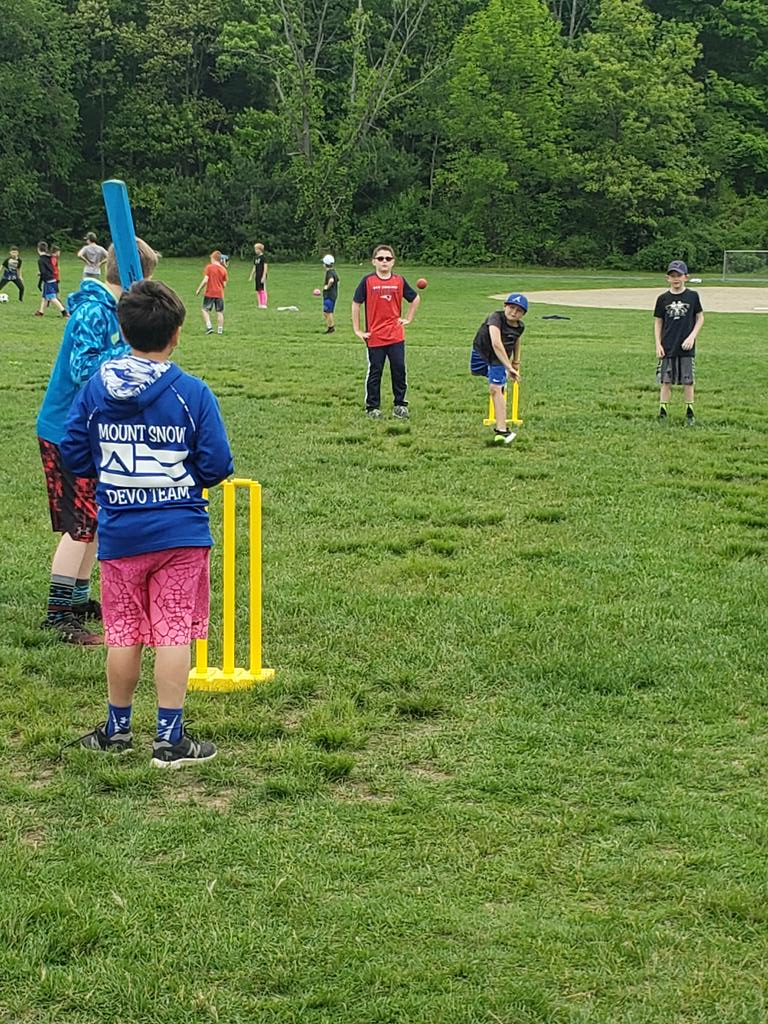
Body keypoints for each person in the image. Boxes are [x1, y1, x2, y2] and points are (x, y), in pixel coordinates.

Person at [60, 280, 234, 767]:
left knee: (124, 634)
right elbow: (217, 465)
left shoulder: (97, 387)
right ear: (177, 333)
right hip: (181, 532)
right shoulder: (191, 393)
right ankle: (169, 738)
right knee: (173, 633)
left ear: (122, 329)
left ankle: (117, 729)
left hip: (121, 533)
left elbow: (73, 452)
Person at [36, 238, 159, 644]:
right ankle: (58, 614)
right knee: (79, 524)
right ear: (132, 277)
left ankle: (78, 597)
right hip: (65, 432)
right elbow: (81, 368)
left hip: (91, 432)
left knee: (94, 521)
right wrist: (129, 353)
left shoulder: (112, 312)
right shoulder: (92, 310)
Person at [351, 244, 420, 420]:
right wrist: (357, 329)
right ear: (374, 261)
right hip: (375, 336)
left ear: (393, 262)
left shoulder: (399, 281)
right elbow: (356, 304)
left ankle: (400, 405)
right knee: (375, 371)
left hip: (396, 335)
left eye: (388, 259)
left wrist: (408, 318)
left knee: (399, 369)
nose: (384, 262)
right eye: (380, 258)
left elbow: (415, 298)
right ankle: (372, 407)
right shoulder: (367, 281)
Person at [470, 293, 527, 444]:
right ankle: (499, 381)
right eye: (511, 307)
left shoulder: (520, 326)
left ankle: (502, 431)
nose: (514, 312)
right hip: (481, 351)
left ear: (523, 315)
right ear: (505, 306)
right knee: (477, 372)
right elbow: (495, 342)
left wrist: (515, 362)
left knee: (495, 389)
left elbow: (516, 341)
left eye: (519, 310)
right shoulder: (495, 317)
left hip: (498, 358)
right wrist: (510, 367)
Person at [654, 260, 704, 423]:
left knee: (688, 380)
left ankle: (689, 411)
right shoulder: (663, 298)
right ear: (667, 278)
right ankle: (663, 410)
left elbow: (700, 317)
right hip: (668, 345)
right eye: (672, 276)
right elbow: (658, 321)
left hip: (686, 346)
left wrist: (692, 336)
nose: (676, 279)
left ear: (686, 277)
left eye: (679, 275)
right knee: (666, 380)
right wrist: (658, 344)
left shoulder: (692, 296)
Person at [195, 250, 228, 335]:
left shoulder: (209, 267)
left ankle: (209, 327)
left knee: (205, 309)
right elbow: (224, 284)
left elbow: (205, 280)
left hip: (210, 292)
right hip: (220, 293)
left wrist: (199, 289)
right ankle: (220, 330)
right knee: (219, 312)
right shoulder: (223, 269)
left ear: (213, 258)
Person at [35, 242, 68, 318]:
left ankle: (64, 312)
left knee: (52, 297)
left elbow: (43, 272)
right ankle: (41, 312)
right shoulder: (49, 257)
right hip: (53, 278)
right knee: (44, 297)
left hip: (48, 280)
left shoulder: (40, 260)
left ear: (38, 249)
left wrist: (40, 280)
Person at [321, 254, 339, 334]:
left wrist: (327, 287)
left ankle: (331, 328)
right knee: (326, 312)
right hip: (333, 295)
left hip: (329, 295)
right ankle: (330, 326)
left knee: (328, 312)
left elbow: (331, 280)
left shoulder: (329, 273)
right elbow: (337, 281)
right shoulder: (334, 271)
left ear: (325, 264)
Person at [249, 242, 268, 308]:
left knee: (262, 290)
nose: (255, 250)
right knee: (258, 290)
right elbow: (254, 267)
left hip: (262, 275)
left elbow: (265, 267)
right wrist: (251, 275)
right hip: (257, 275)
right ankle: (259, 303)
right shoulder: (256, 258)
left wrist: (263, 276)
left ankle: (264, 304)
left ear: (260, 249)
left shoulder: (263, 258)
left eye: (256, 249)